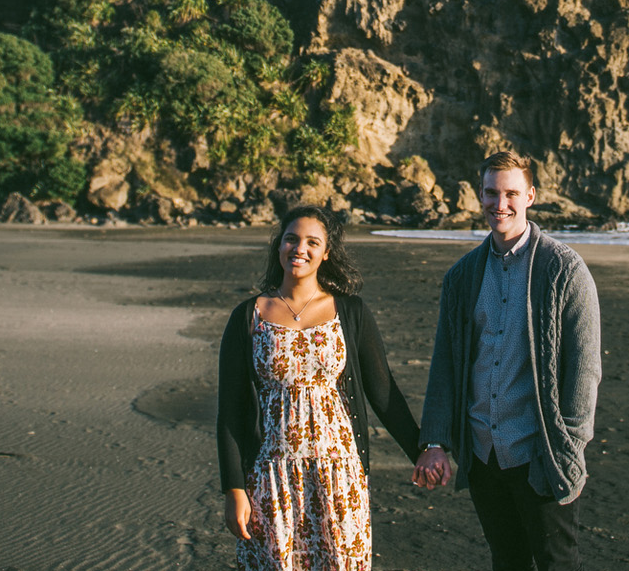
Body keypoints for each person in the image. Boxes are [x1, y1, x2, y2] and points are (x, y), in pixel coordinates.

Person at [412, 150, 602, 571]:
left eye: (511, 193)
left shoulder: (564, 269)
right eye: (491, 193)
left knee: (558, 564)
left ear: (531, 196)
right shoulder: (461, 277)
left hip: (540, 455)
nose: (501, 204)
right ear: (479, 196)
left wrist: (569, 444)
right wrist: (436, 441)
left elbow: (586, 368)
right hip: (482, 455)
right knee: (507, 562)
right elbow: (446, 364)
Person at [217, 204, 421, 571]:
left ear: (326, 253)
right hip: (271, 479)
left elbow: (383, 393)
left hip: (340, 476)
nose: (300, 249)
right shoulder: (248, 316)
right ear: (278, 245)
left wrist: (423, 451)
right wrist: (233, 488)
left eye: (313, 242)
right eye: (291, 239)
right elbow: (230, 411)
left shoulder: (350, 312)